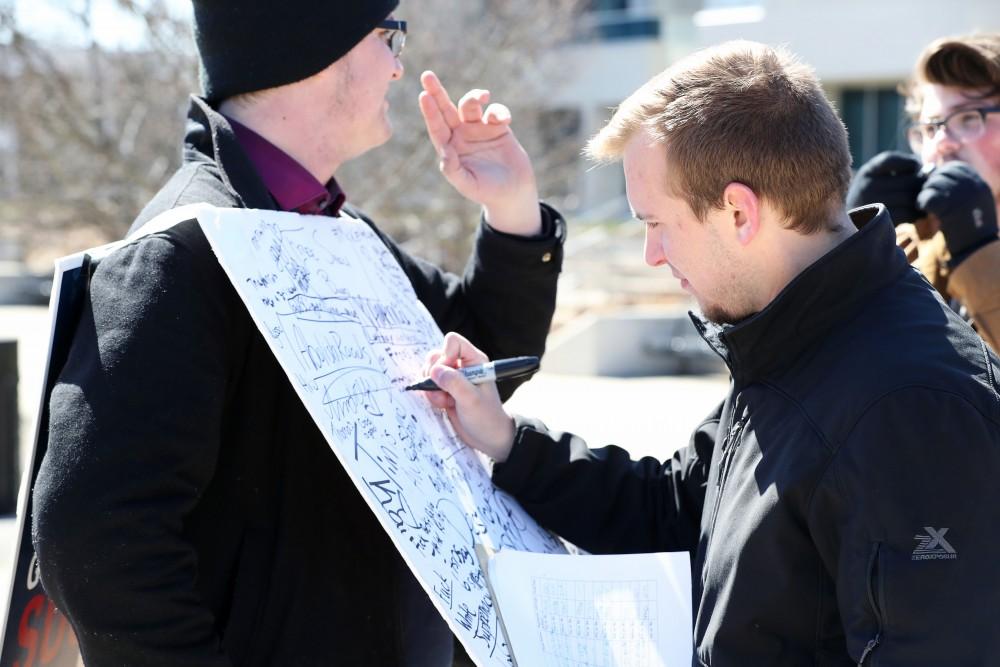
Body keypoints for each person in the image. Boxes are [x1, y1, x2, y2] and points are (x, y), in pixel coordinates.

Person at [422, 41, 1000, 666]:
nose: (652, 255)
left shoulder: (910, 407)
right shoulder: (795, 335)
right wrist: (507, 440)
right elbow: (681, 506)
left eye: (655, 223)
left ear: (738, 211)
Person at [31, 1, 565, 666]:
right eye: (387, 34)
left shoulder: (332, 231)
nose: (400, 66)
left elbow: (485, 364)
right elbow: (96, 539)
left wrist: (510, 206)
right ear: (314, 48)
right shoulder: (183, 254)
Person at [847, 33, 1000, 352]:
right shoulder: (916, 245)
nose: (941, 143)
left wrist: (980, 253)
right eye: (930, 127)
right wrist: (854, 240)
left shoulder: (968, 241)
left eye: (968, 117)